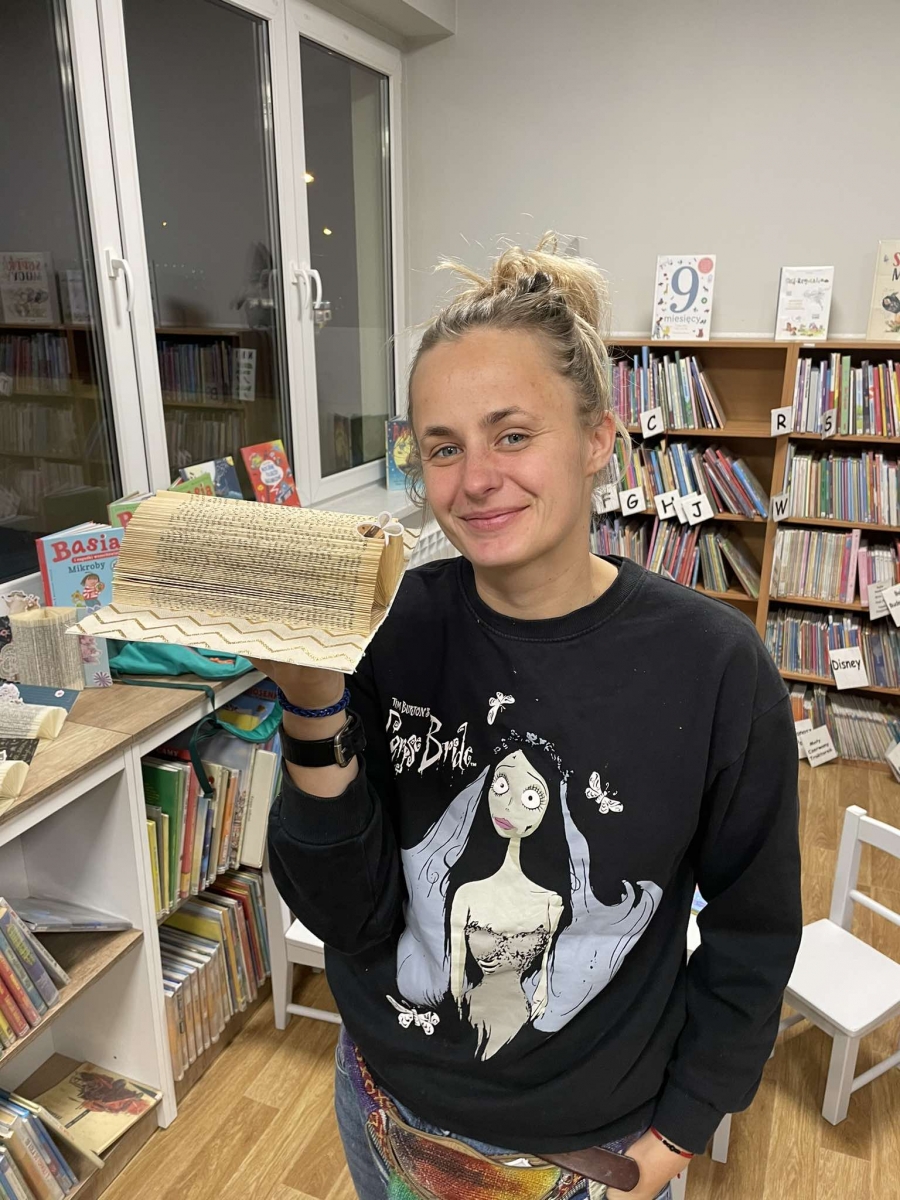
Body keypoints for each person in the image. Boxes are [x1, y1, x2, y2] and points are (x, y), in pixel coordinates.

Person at [261, 234, 802, 1200]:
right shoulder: (386, 629)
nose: (475, 479)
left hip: (592, 1152)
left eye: (512, 435)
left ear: (597, 439)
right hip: (386, 1108)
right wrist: (311, 704)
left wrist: (680, 1133)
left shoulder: (716, 669)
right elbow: (344, 913)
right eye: (443, 447)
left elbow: (754, 933)